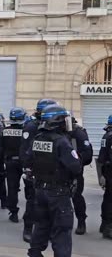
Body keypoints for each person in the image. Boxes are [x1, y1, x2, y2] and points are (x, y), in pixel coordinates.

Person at [27, 105, 82, 257]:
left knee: (41, 226)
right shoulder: (61, 142)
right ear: (57, 121)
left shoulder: (37, 139)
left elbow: (29, 160)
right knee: (62, 231)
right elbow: (75, 167)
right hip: (58, 193)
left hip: (40, 190)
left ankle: (34, 253)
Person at [20, 98, 57, 242]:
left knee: (48, 203)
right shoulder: (31, 126)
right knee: (32, 201)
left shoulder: (52, 127)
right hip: (34, 170)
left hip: (50, 171)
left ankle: (45, 230)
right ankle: (28, 228)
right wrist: (27, 168)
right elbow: (24, 149)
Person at [0, 107, 27, 223]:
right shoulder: (26, 131)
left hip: (10, 163)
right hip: (24, 163)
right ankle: (29, 214)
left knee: (12, 188)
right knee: (30, 188)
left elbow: (0, 150)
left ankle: (14, 213)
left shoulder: (5, 131)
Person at [68, 117, 93, 235]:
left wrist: (75, 160)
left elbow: (87, 154)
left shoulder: (79, 133)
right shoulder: (56, 133)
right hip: (59, 172)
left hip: (75, 172)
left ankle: (81, 221)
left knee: (76, 196)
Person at [97, 115, 112, 240]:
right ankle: (108, 227)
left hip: (108, 171)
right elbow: (102, 158)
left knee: (108, 198)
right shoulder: (109, 136)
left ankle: (105, 224)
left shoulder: (106, 136)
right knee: (109, 200)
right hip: (110, 171)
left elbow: (101, 158)